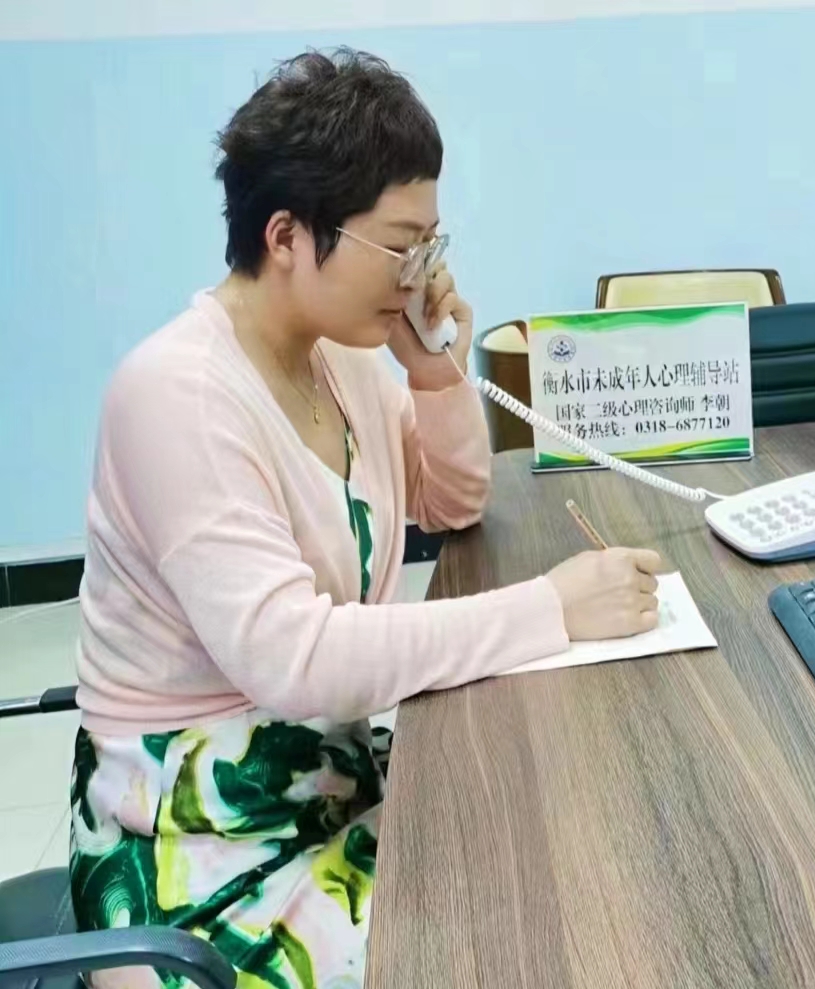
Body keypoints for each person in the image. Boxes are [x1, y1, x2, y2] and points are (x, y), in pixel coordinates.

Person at [69, 48, 660, 988]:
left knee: (567, 861)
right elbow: (295, 659)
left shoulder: (338, 357)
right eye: (400, 245)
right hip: (200, 851)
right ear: (287, 236)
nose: (421, 273)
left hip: (332, 782)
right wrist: (552, 608)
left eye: (432, 244)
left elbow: (452, 500)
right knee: (521, 941)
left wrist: (432, 370)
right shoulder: (175, 395)